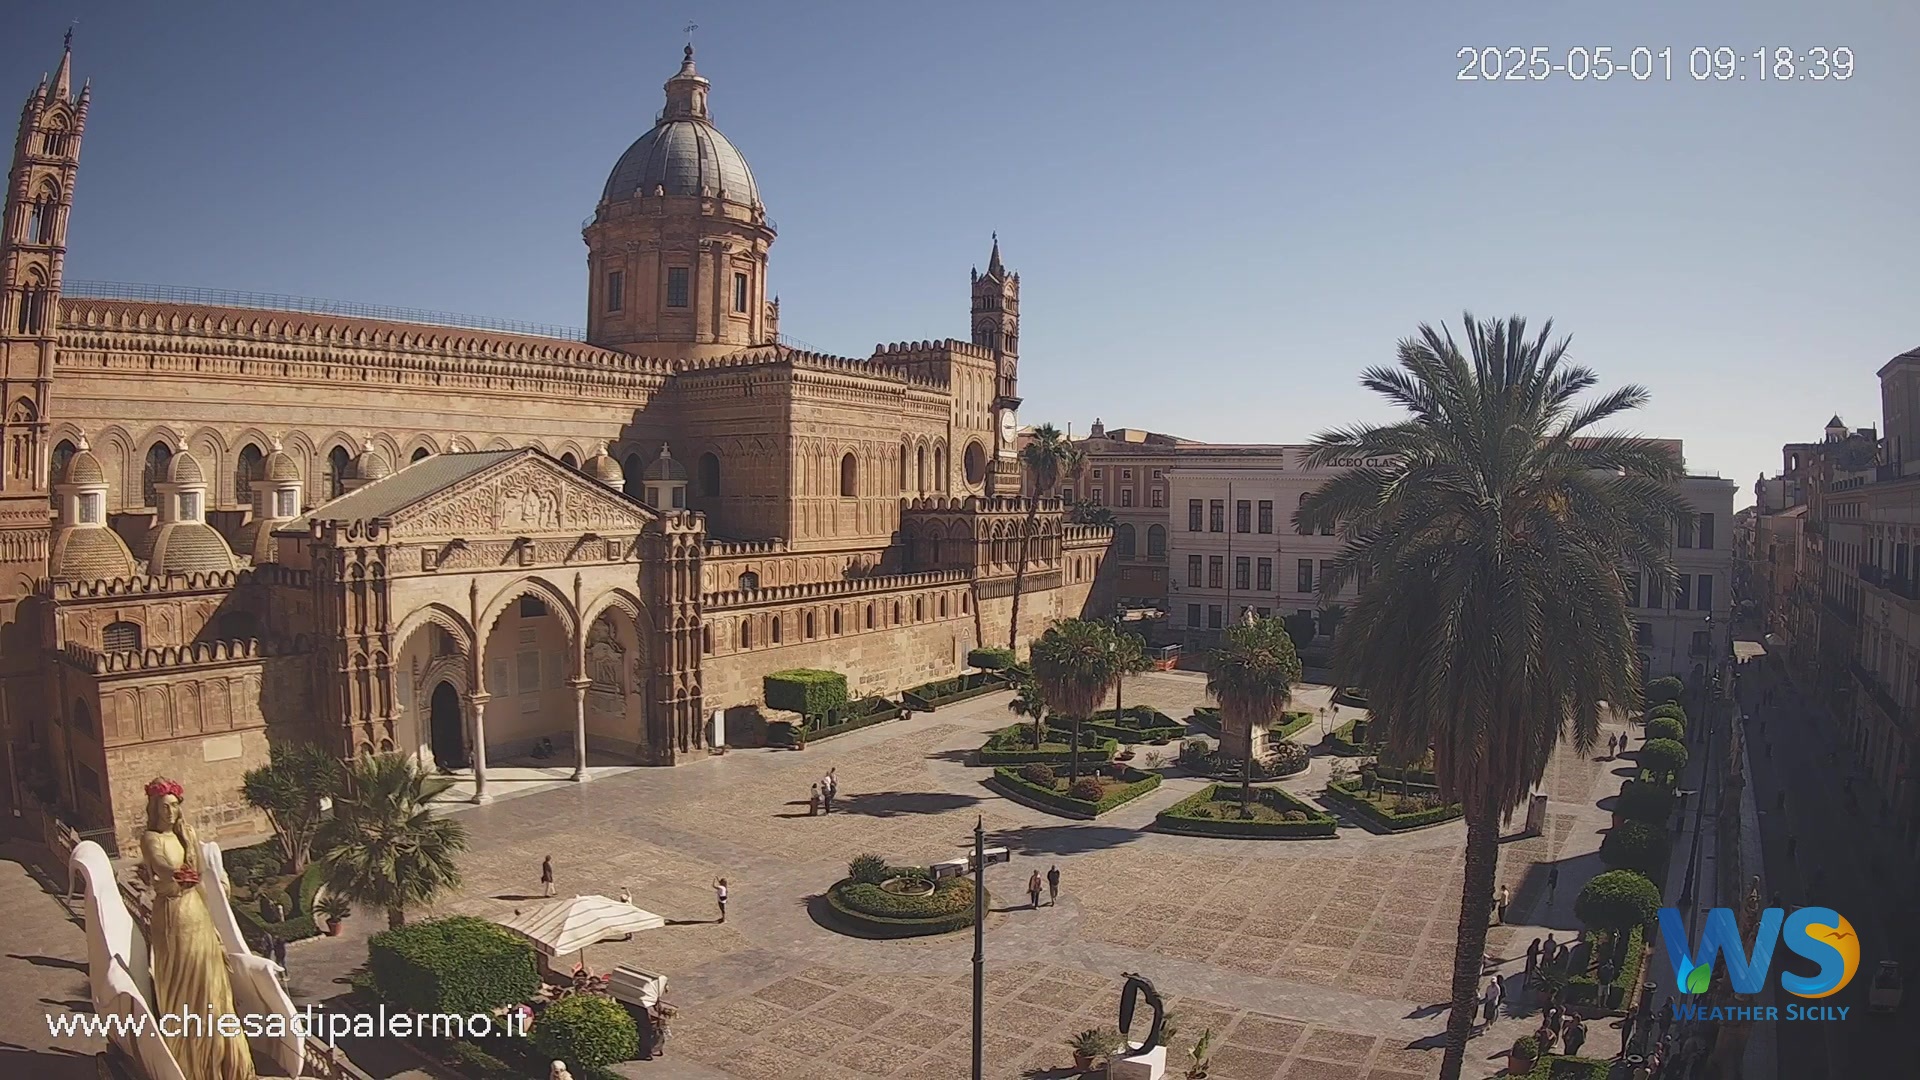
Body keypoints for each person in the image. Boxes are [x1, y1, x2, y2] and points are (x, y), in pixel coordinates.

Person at [139, 777, 257, 1080]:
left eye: (175, 806)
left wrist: (197, 864)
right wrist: (180, 875)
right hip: (173, 916)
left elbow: (203, 872)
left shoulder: (187, 835)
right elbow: (163, 865)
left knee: (211, 984)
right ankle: (191, 1063)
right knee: (184, 985)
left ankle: (224, 1061)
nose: (170, 812)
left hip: (197, 912)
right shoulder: (151, 838)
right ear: (155, 808)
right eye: (164, 807)